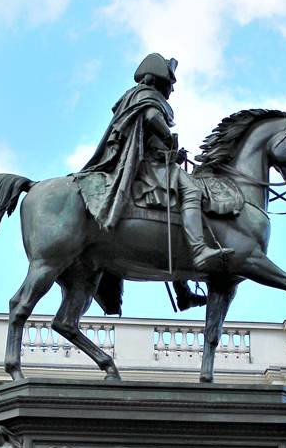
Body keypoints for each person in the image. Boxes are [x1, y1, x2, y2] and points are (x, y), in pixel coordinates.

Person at [77, 54, 233, 295]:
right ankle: (200, 250)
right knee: (192, 191)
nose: (172, 89)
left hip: (157, 161)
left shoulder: (134, 96)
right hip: (149, 166)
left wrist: (172, 153)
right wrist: (169, 138)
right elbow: (151, 119)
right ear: (160, 80)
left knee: (174, 213)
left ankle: (183, 290)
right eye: (171, 83)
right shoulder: (147, 96)